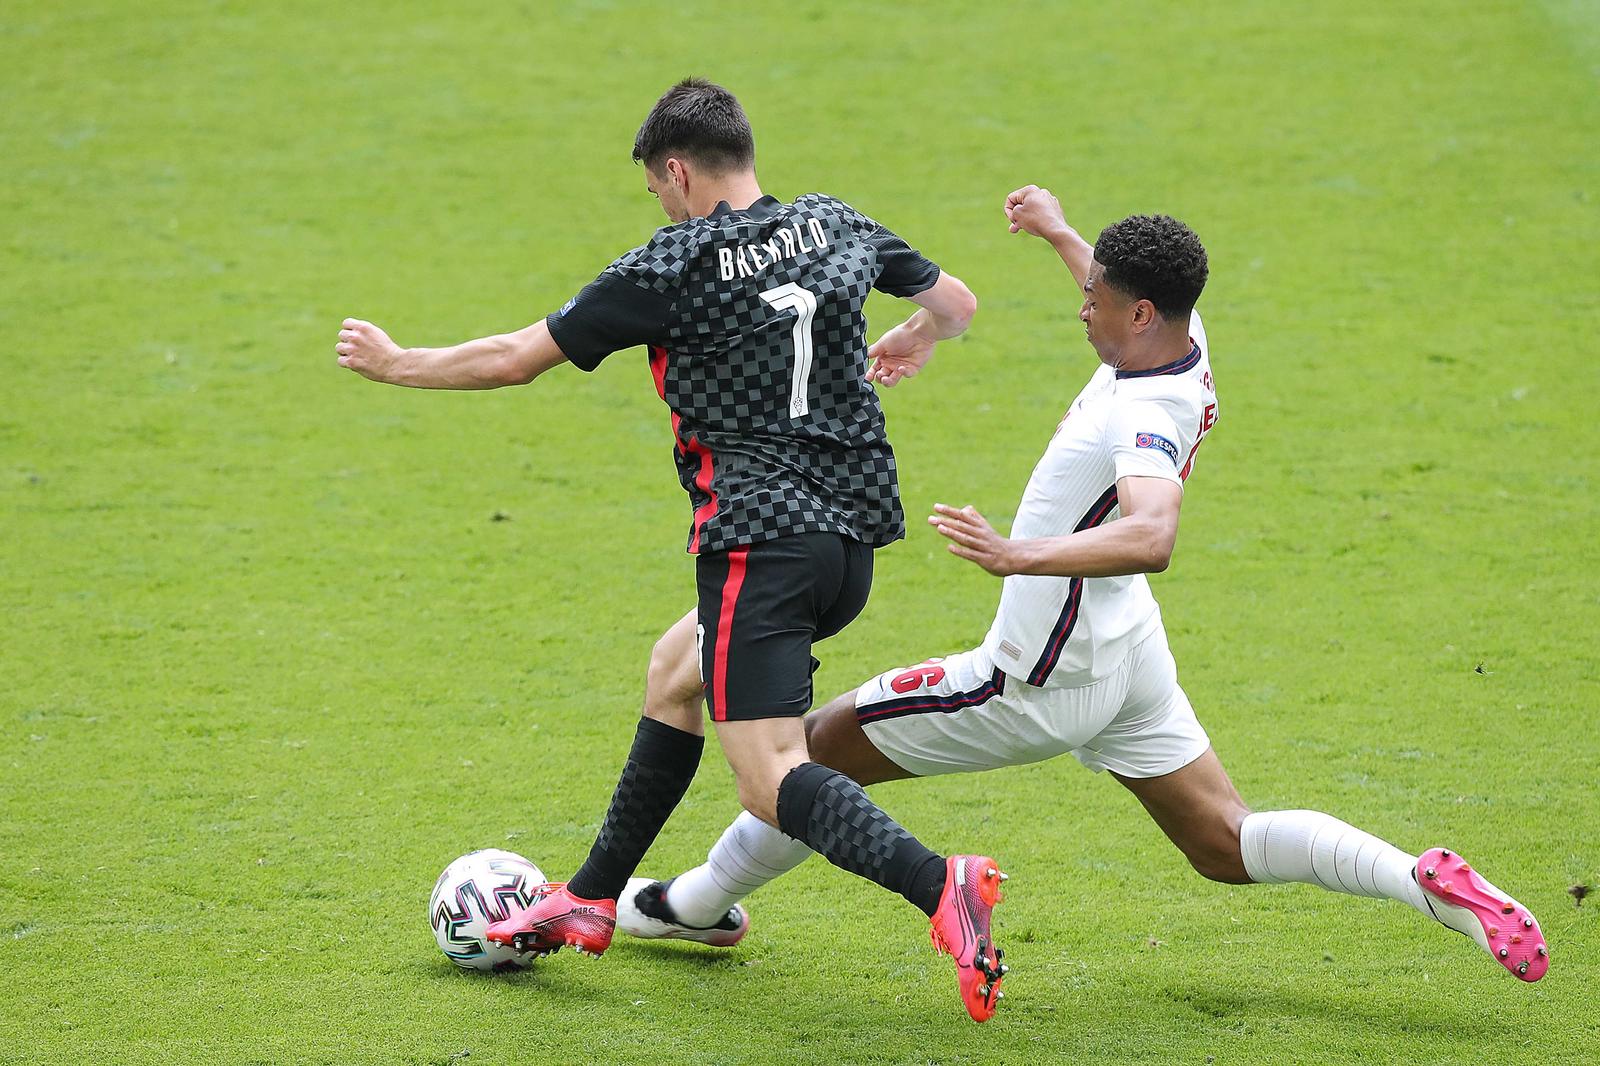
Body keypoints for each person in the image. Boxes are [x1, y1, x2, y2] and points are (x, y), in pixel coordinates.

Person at [616, 185, 1550, 987]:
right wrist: (1064, 236)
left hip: (1037, 675)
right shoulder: (1178, 335)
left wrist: (1014, 554)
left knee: (795, 765)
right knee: (1224, 843)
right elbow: (1111, 293)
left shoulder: (1145, 412)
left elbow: (1151, 532)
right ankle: (1419, 881)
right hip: (1127, 654)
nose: (1083, 307)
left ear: (1141, 313)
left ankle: (687, 906)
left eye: (1097, 295)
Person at [335, 79, 1013, 1022]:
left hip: (760, 546)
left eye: (657, 187)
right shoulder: (835, 223)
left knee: (771, 776)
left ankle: (944, 887)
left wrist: (395, 362)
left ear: (679, 171)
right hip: (848, 545)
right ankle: (593, 898)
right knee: (673, 671)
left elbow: (515, 357)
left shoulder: (671, 267)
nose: (659, 202)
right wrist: (919, 333)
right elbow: (960, 303)